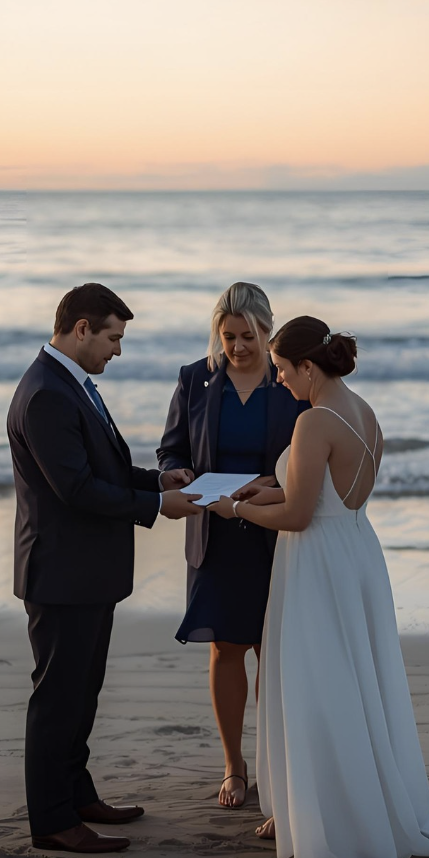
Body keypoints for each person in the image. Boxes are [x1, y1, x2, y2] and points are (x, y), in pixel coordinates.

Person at [211, 316, 429, 858]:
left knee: (315, 682)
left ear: (308, 366)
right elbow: (331, 496)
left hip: (316, 563)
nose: (278, 379)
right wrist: (266, 488)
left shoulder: (313, 421)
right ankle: (333, 799)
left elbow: (300, 516)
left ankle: (319, 812)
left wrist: (235, 508)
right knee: (352, 679)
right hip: (357, 553)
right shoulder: (365, 412)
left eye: (282, 369)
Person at [7, 283, 201, 854]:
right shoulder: (46, 394)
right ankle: (52, 820)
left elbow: (102, 470)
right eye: (113, 338)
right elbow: (76, 490)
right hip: (62, 574)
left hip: (85, 572)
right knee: (58, 699)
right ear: (81, 329)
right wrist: (157, 506)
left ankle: (77, 795)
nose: (118, 350)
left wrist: (156, 480)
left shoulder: (70, 385)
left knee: (82, 693)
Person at [158, 283, 307, 808]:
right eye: (229, 337)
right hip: (215, 535)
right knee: (225, 647)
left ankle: (274, 764)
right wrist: (176, 472)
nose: (238, 347)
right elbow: (171, 448)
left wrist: (271, 484)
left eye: (248, 336)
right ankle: (234, 766)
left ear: (268, 331)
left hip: (275, 532)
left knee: (274, 651)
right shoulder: (194, 379)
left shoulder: (289, 383)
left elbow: (307, 458)